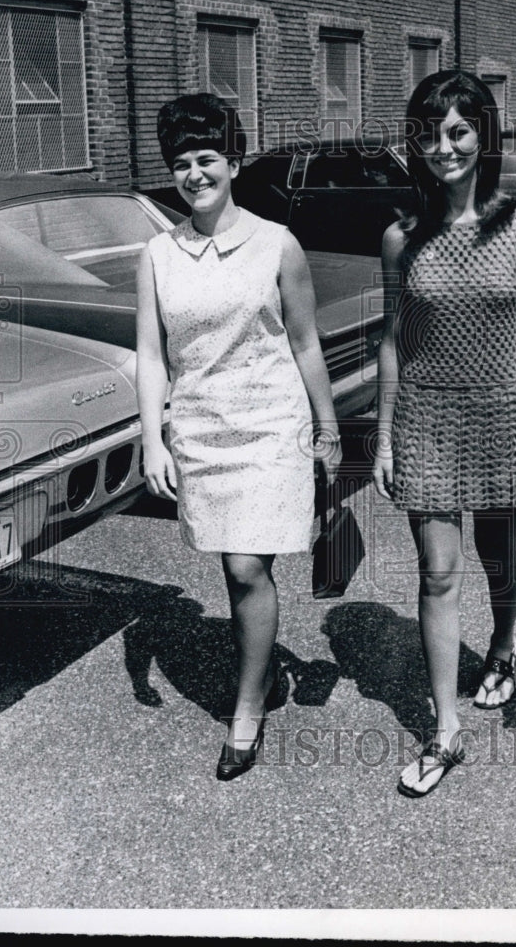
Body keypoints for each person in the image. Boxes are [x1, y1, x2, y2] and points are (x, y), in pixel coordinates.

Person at [372, 70, 516, 798]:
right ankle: (446, 732)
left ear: (482, 135)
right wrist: (385, 439)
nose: (441, 148)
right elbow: (393, 340)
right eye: (427, 134)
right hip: (425, 415)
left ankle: (503, 645)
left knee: (496, 554)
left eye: (456, 132)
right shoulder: (401, 236)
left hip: (502, 414)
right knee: (437, 571)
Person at [135, 93, 342, 781]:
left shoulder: (276, 243)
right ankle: (255, 666)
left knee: (247, 567)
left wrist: (328, 427)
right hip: (199, 429)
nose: (194, 174)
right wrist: (151, 439)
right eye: (181, 164)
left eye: (206, 159)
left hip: (270, 427)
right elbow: (152, 357)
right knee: (232, 566)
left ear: (234, 161)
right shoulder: (158, 255)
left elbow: (307, 343)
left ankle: (247, 709)